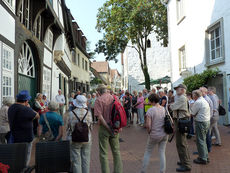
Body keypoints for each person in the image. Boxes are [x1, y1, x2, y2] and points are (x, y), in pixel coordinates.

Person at [94, 84, 123, 173]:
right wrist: (119, 126)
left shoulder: (98, 100)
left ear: (98, 92)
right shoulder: (114, 98)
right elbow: (120, 113)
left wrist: (107, 127)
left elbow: (100, 116)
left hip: (104, 128)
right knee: (116, 151)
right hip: (115, 127)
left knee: (103, 153)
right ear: (106, 90)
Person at [8, 90, 39, 166]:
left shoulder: (11, 107)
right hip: (25, 137)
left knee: (16, 156)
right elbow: (37, 115)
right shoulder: (25, 109)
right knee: (25, 157)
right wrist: (29, 107)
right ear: (26, 101)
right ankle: (23, 169)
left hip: (14, 135)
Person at [141, 94, 168, 173]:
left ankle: (143, 170)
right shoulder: (163, 109)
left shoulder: (150, 110)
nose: (148, 102)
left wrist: (149, 132)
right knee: (162, 152)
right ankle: (162, 171)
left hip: (154, 134)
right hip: (164, 134)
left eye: (149, 100)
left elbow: (148, 125)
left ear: (152, 101)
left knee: (148, 152)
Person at [67, 95, 92, 173]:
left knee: (76, 161)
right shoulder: (88, 113)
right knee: (86, 160)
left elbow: (68, 127)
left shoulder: (71, 113)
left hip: (74, 139)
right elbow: (91, 127)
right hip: (87, 138)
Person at [170, 84, 191, 172]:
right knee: (182, 143)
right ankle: (184, 161)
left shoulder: (182, 98)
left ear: (182, 90)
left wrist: (171, 105)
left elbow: (172, 107)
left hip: (181, 122)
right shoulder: (181, 98)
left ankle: (186, 164)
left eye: (177, 89)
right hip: (181, 121)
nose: (176, 91)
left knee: (181, 143)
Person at [190, 90, 210, 165]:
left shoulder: (198, 102)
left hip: (201, 122)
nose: (192, 96)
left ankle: (203, 158)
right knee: (203, 140)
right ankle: (205, 156)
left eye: (192, 94)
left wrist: (191, 108)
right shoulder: (203, 100)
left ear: (195, 95)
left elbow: (192, 113)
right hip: (205, 121)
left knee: (200, 140)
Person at [200, 87, 214, 153]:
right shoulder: (205, 98)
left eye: (201, 91)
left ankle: (207, 149)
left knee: (206, 135)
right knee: (206, 134)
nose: (199, 92)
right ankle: (208, 148)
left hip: (205, 119)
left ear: (204, 92)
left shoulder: (206, 99)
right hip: (206, 118)